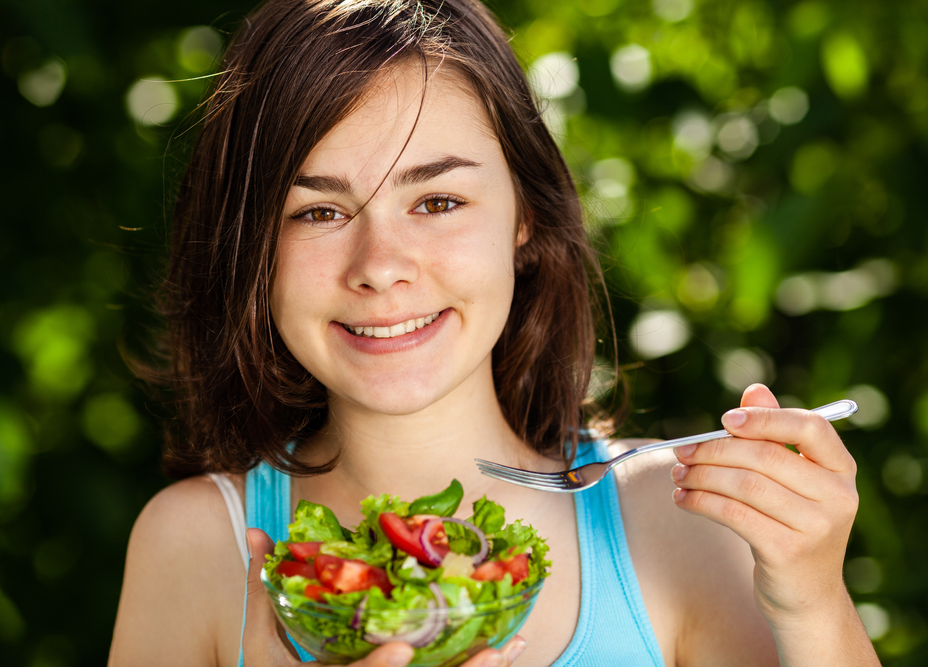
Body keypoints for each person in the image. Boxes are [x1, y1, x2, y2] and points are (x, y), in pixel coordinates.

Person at [107, 0, 881, 665]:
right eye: (318, 211)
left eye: (437, 201)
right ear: (254, 250)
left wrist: (813, 599)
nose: (380, 266)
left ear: (525, 215)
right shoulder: (199, 549)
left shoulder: (675, 526)